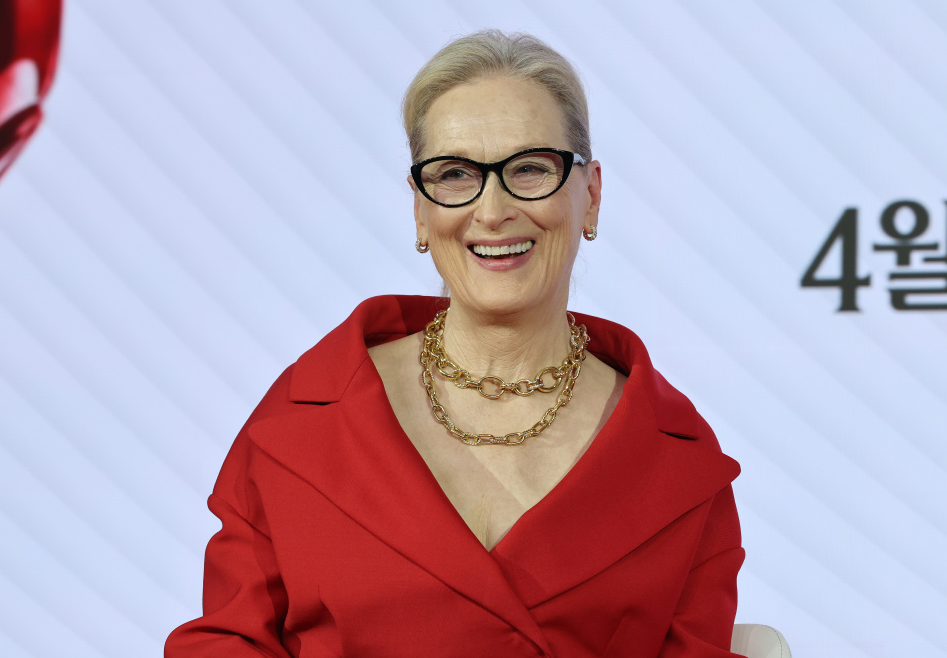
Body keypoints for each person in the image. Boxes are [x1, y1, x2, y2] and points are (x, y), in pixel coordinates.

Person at [166, 29, 744, 658]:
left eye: (530, 169)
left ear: (592, 195)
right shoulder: (306, 418)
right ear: (420, 209)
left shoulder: (676, 459)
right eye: (454, 175)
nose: (492, 211)